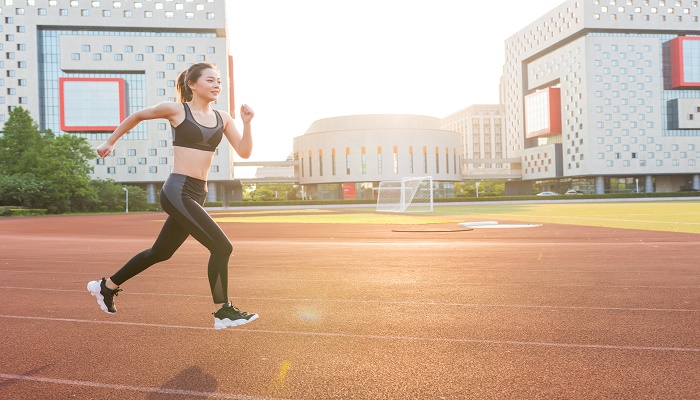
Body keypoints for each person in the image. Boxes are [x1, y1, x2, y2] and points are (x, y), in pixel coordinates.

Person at [87, 62, 258, 329]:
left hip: (197, 192)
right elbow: (138, 116)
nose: (216, 85)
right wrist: (111, 141)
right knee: (222, 247)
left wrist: (246, 124)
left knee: (161, 252)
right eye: (210, 80)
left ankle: (106, 286)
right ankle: (223, 311)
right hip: (177, 190)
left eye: (219, 81)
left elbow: (244, 151)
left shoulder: (223, 117)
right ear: (192, 84)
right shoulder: (177, 109)